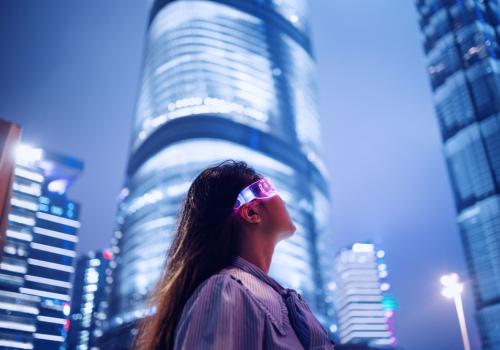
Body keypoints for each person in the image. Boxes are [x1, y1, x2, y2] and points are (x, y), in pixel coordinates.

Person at [134, 160, 335, 350]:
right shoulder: (226, 290)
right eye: (269, 189)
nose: (281, 198)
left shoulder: (267, 296)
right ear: (251, 213)